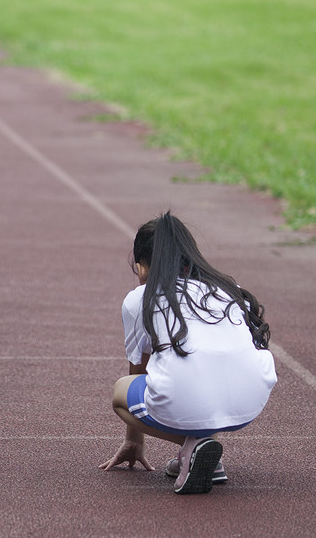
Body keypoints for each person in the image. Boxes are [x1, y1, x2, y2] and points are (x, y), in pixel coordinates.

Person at [100, 212, 275, 494]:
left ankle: (191, 447)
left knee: (122, 392)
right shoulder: (229, 289)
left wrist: (135, 441)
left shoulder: (141, 299)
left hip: (199, 398)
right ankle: (204, 452)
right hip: (249, 403)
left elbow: (138, 370)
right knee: (204, 373)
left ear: (142, 266)